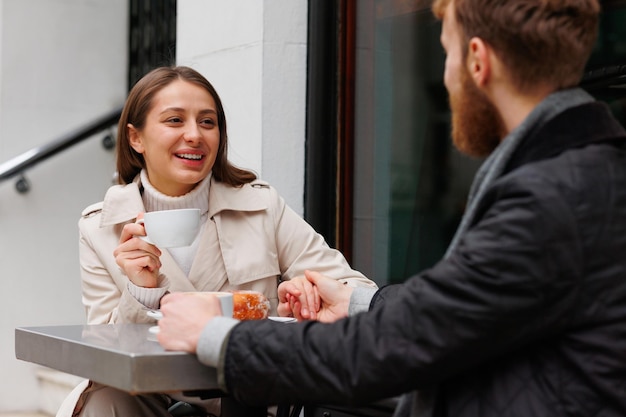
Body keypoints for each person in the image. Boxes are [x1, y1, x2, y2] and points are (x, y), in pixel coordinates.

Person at [156, 0, 626, 416]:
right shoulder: (579, 173)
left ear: (478, 61)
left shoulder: (551, 195)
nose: (446, 77)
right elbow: (455, 311)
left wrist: (219, 335)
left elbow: (385, 351)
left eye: (448, 54)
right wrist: (360, 301)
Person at [56, 65, 376, 417]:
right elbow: (103, 353)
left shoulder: (260, 206)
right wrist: (141, 291)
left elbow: (353, 288)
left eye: (207, 122)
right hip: (153, 397)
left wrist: (311, 294)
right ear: (136, 138)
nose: (195, 135)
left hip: (248, 395)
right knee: (105, 404)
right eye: (175, 120)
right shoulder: (99, 227)